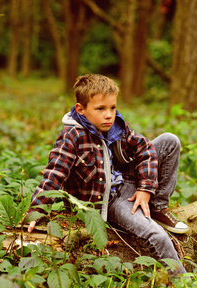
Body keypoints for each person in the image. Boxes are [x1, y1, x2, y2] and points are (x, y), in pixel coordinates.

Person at [27, 74, 188, 274]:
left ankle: (156, 207)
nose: (109, 115)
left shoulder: (115, 126)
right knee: (157, 236)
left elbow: (144, 149)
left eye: (112, 108)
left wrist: (145, 187)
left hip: (125, 180)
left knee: (169, 141)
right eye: (100, 109)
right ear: (81, 110)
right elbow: (54, 174)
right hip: (109, 200)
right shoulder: (72, 136)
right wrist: (35, 211)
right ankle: (184, 283)